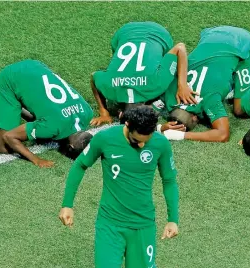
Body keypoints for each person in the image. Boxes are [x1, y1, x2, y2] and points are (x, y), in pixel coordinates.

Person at [59, 105, 179, 268]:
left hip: (143, 225)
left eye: (146, 140)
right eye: (136, 141)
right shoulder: (105, 138)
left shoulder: (161, 144)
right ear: (127, 125)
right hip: (110, 224)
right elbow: (80, 165)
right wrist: (67, 204)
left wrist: (173, 220)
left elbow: (169, 181)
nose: (142, 145)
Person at [0, 59, 94, 167]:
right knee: (3, 146)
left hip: (35, 67)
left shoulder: (87, 113)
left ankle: (8, 113)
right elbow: (9, 136)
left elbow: (53, 112)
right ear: (71, 148)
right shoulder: (52, 126)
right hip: (10, 79)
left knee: (45, 130)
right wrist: (35, 159)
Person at [158, 25, 250, 142]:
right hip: (212, 34)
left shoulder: (209, 100)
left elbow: (223, 135)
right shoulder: (169, 93)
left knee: (240, 110)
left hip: (243, 42)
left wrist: (180, 136)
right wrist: (160, 128)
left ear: (195, 117)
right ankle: (231, 85)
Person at [90, 21, 192, 126]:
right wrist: (104, 112)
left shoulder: (157, 84)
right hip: (124, 32)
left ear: (120, 114)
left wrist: (182, 85)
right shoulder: (110, 88)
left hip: (157, 33)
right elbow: (94, 76)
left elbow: (180, 48)